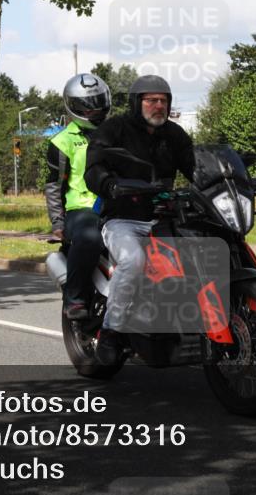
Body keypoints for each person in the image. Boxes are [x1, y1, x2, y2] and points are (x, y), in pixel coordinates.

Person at [84, 75, 196, 365]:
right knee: (133, 260)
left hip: (163, 217)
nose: (158, 106)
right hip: (123, 217)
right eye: (151, 100)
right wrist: (108, 184)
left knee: (193, 259)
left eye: (163, 101)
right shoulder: (115, 129)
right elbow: (94, 166)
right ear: (137, 103)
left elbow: (196, 166)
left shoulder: (175, 135)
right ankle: (112, 330)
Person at [45, 73, 113, 320]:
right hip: (83, 208)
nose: (95, 109)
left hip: (119, 202)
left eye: (98, 101)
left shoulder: (117, 132)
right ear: (74, 106)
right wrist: (58, 223)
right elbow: (53, 186)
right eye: (88, 104)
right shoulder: (61, 142)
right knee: (89, 237)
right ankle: (74, 297)